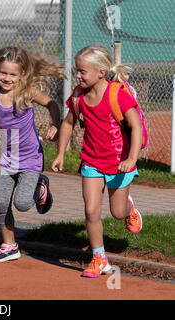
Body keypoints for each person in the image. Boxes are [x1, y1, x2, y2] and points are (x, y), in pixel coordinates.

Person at [0, 46, 64, 262]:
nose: (7, 78)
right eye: (3, 73)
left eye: (12, 74)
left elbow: (52, 104)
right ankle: (9, 245)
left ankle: (39, 185)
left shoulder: (27, 92)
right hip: (7, 157)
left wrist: (56, 124)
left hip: (30, 157)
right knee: (1, 203)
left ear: (22, 75)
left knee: (23, 204)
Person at [51, 44, 143, 278]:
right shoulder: (78, 96)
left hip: (120, 163)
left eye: (83, 71)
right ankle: (99, 258)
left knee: (117, 212)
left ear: (101, 72)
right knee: (91, 211)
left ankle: (129, 207)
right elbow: (69, 123)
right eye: (76, 70)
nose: (78, 75)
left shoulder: (118, 94)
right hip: (91, 161)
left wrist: (131, 158)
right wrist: (61, 153)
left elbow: (136, 127)